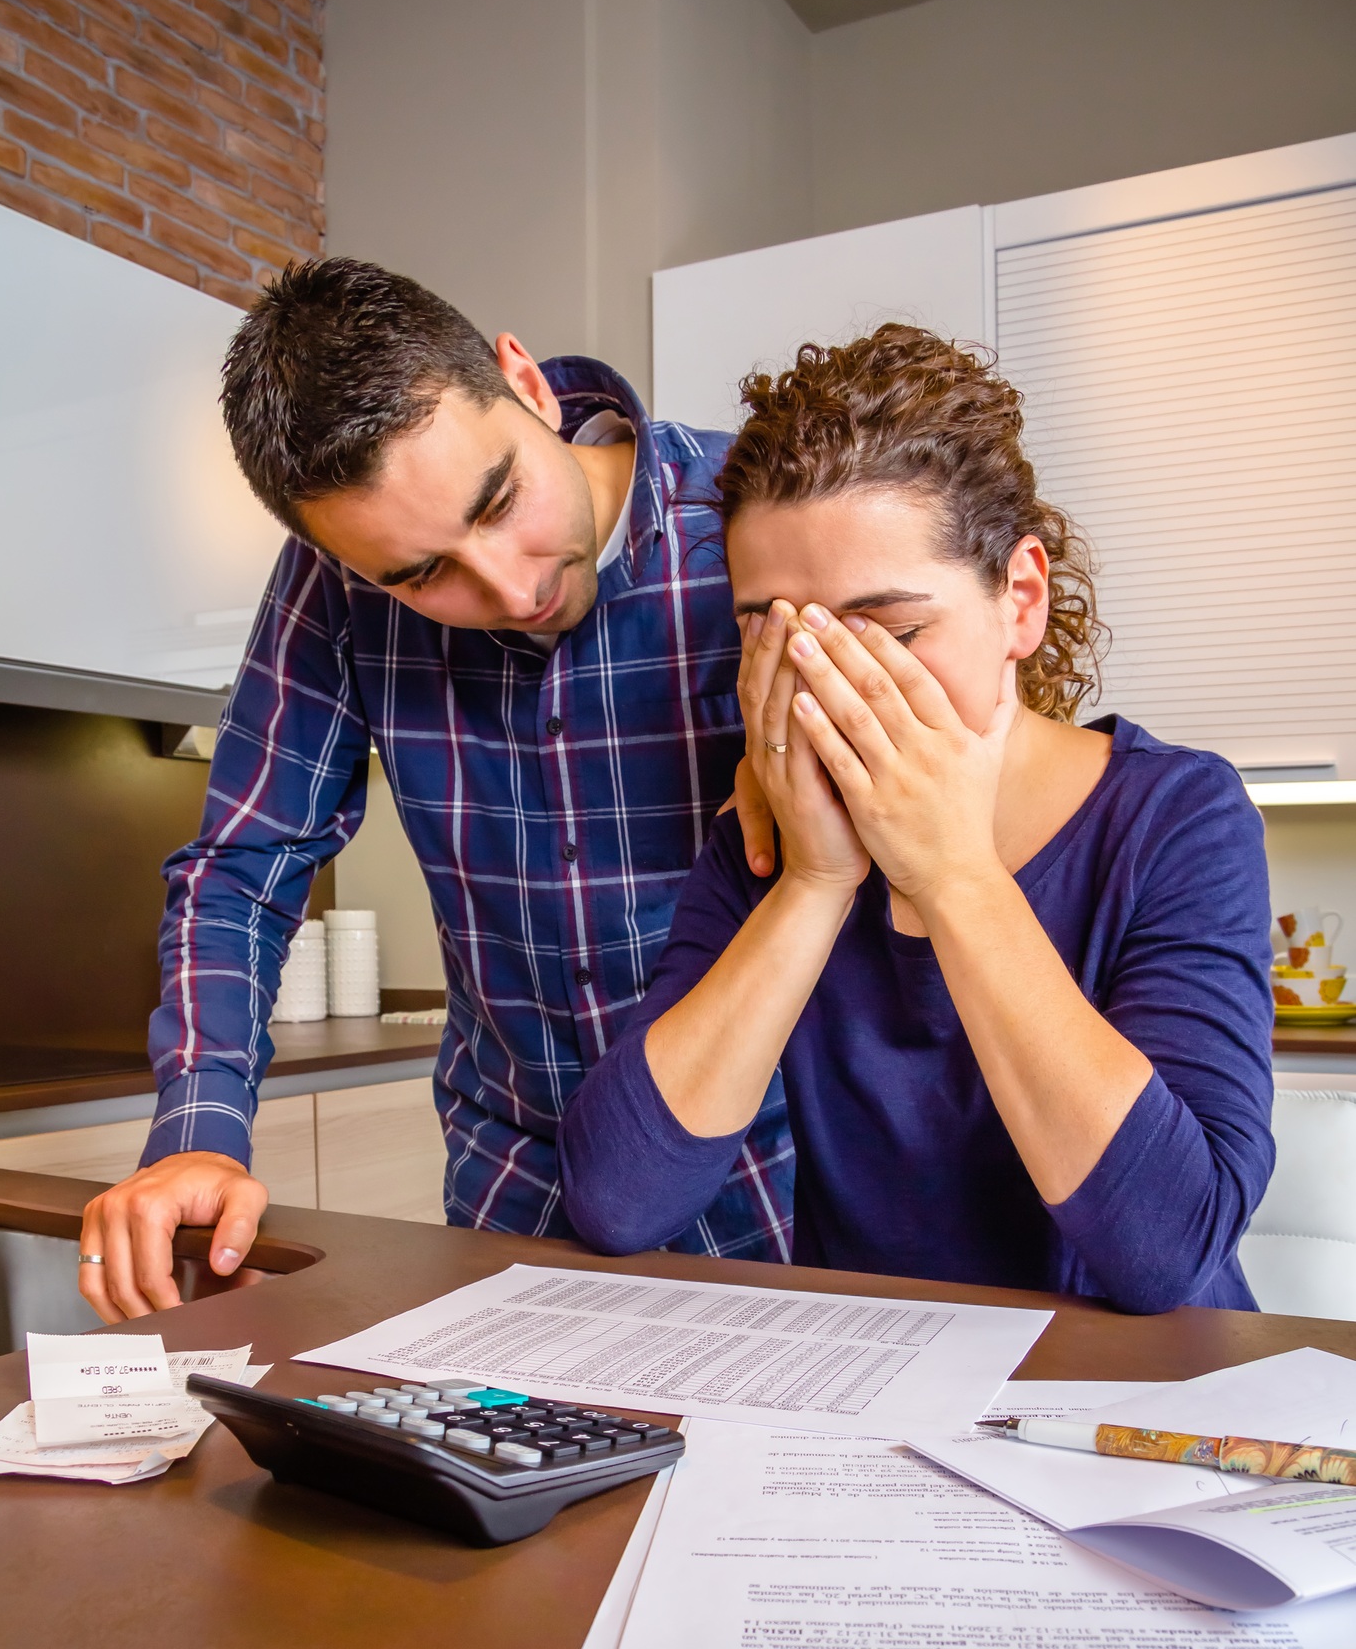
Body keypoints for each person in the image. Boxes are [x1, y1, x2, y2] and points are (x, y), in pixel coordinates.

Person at [78, 259, 792, 1324]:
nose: (511, 589)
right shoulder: (337, 589)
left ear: (525, 382)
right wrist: (196, 1134)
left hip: (784, 1185)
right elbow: (241, 870)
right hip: (517, 1191)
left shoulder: (759, 517)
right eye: (422, 576)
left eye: (500, 499)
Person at [558, 325, 1276, 1314]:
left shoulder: (1175, 816)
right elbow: (619, 1197)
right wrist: (812, 884)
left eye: (890, 632)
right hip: (873, 1411)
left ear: (1019, 600)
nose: (824, 688)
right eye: (772, 635)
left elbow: (1164, 1250)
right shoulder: (772, 838)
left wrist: (952, 873)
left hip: (1137, 1416)